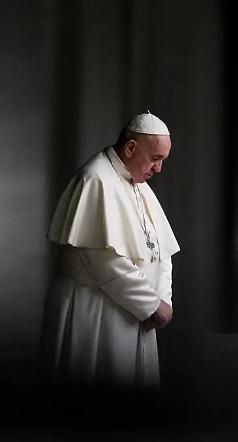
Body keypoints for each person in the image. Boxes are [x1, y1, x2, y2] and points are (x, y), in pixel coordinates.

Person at [40, 111, 180, 388]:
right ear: (131, 148)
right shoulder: (95, 179)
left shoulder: (138, 184)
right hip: (95, 310)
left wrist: (162, 300)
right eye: (155, 159)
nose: (158, 169)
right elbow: (102, 259)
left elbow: (160, 250)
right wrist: (151, 304)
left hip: (136, 312)